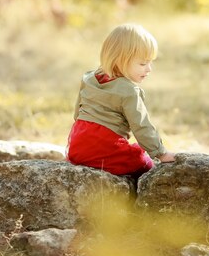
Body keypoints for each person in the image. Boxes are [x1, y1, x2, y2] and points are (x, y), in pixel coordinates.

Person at [66, 23, 175, 178]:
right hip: (104, 146)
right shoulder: (129, 91)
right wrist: (160, 153)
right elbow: (142, 126)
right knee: (142, 161)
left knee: (123, 150)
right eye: (143, 63)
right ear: (120, 60)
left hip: (76, 146)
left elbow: (78, 113)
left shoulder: (89, 78)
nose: (149, 69)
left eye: (150, 62)